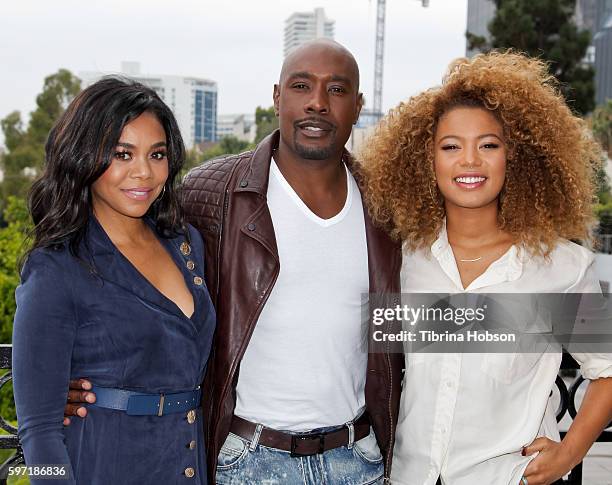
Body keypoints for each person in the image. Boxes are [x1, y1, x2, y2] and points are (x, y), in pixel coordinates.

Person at [64, 40, 403, 484]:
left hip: (359, 460)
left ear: (358, 105)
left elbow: (421, 329)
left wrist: (527, 407)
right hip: (248, 462)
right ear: (278, 96)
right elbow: (138, 279)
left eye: (337, 90)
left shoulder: (388, 208)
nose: (318, 103)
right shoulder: (214, 193)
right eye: (302, 86)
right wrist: (74, 374)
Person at [358, 51, 612, 485]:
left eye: (488, 145)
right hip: (405, 476)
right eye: (451, 146)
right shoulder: (401, 260)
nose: (469, 161)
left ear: (515, 157)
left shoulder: (561, 268)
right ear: (428, 161)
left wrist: (570, 453)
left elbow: (607, 370)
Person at [12, 77, 216, 484]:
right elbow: (39, 433)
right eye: (123, 154)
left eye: (156, 154)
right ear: (85, 158)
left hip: (187, 467)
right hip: (104, 466)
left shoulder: (185, 243)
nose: (143, 173)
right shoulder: (56, 267)